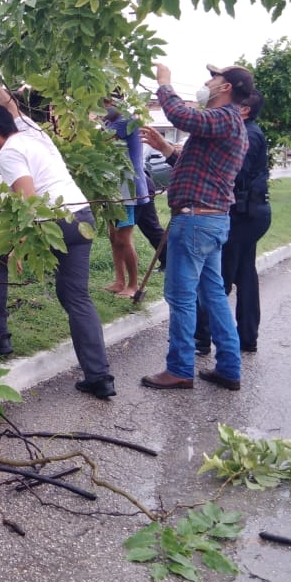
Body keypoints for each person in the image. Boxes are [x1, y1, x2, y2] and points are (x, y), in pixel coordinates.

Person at [0, 84, 115, 399]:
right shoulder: (34, 133)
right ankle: (100, 377)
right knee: (75, 296)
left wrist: (21, 245)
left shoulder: (9, 152)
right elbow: (11, 106)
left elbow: (28, 199)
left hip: (53, 222)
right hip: (82, 219)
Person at [139, 63, 249, 392]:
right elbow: (193, 166)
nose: (206, 82)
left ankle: (180, 369)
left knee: (181, 297)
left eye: (214, 78)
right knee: (213, 294)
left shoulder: (225, 117)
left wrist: (164, 84)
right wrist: (164, 148)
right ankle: (229, 368)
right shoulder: (226, 125)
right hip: (209, 220)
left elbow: (183, 117)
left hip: (196, 221)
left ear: (227, 86)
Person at [194, 90, 271, 354]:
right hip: (249, 213)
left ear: (245, 109)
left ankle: (203, 339)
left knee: (218, 279)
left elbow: (234, 175)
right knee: (245, 274)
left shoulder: (247, 134)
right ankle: (247, 338)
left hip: (244, 216)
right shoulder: (247, 131)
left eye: (235, 103)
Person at [102, 103, 149, 297]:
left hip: (129, 189)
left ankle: (133, 285)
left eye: (105, 103)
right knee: (114, 237)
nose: (103, 108)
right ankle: (119, 281)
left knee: (124, 238)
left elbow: (100, 142)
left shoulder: (126, 121)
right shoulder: (109, 122)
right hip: (113, 188)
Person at [135, 170, 167, 271]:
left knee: (150, 227)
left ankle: (168, 262)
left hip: (140, 187)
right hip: (137, 185)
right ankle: (131, 262)